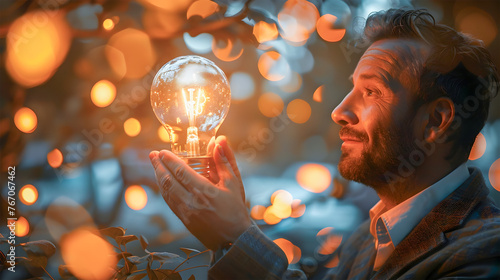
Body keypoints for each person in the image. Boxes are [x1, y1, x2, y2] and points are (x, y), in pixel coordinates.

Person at [149, 9, 500, 279]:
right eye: (351, 89)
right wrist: (231, 237)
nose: (339, 111)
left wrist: (239, 235)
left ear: (436, 121)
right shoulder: (366, 240)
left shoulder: (484, 253)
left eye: (371, 92)